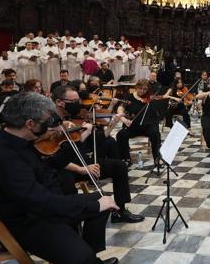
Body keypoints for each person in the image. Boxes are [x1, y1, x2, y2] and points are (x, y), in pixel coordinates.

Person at [0, 92, 120, 264]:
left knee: (102, 202)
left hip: (39, 208)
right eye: (47, 122)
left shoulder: (22, 141)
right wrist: (90, 206)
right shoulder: (4, 155)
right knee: (79, 256)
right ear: (30, 123)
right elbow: (38, 201)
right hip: (25, 221)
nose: (51, 126)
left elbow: (46, 175)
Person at [51, 86, 143, 222]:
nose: (79, 103)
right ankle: (72, 221)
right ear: (60, 102)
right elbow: (55, 158)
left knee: (119, 166)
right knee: (64, 179)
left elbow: (98, 138)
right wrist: (82, 169)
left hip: (83, 161)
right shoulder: (50, 122)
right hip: (68, 167)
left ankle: (120, 212)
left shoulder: (72, 118)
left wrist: (112, 123)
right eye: (75, 101)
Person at [116, 79, 162, 165]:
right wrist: (124, 120)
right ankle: (126, 159)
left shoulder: (149, 98)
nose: (142, 91)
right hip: (132, 127)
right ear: (136, 87)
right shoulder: (129, 97)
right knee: (121, 134)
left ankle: (157, 158)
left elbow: (157, 112)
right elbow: (120, 108)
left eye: (145, 89)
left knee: (155, 133)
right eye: (140, 88)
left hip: (147, 126)